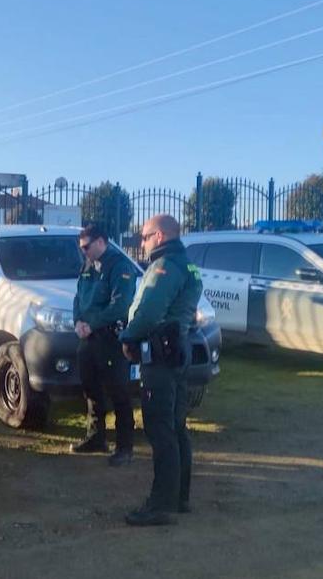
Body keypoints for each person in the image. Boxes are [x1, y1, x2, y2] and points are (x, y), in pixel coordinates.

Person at [119, 214, 203, 526]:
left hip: (160, 355)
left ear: (160, 235)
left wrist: (128, 335)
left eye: (144, 236)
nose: (141, 242)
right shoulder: (188, 265)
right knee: (177, 427)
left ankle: (160, 504)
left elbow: (151, 309)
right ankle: (179, 497)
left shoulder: (165, 266)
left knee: (160, 429)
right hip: (177, 350)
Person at [70, 223, 136, 465]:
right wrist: (78, 320)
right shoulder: (88, 264)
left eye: (87, 247)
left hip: (109, 337)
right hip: (88, 337)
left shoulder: (119, 266)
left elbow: (120, 305)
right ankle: (96, 437)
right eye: (82, 248)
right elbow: (79, 296)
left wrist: (92, 323)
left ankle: (125, 446)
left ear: (101, 242)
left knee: (118, 391)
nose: (84, 252)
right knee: (91, 389)